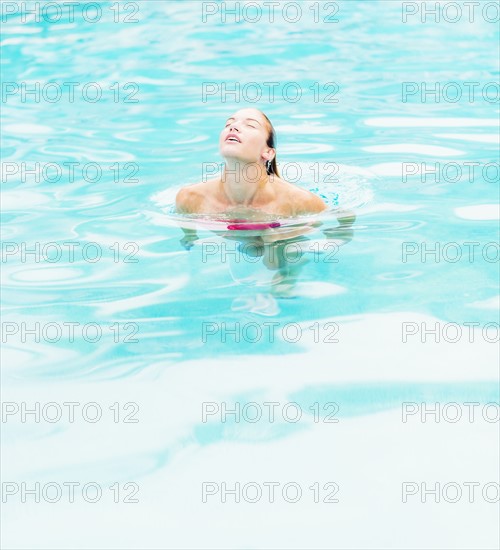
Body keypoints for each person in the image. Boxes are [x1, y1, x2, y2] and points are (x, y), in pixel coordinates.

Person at [175, 108, 328, 217]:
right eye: (228, 124)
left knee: (275, 257)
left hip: (283, 242)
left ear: (268, 152)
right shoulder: (190, 198)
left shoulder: (297, 201)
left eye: (250, 125)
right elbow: (188, 241)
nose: (233, 127)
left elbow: (343, 217)